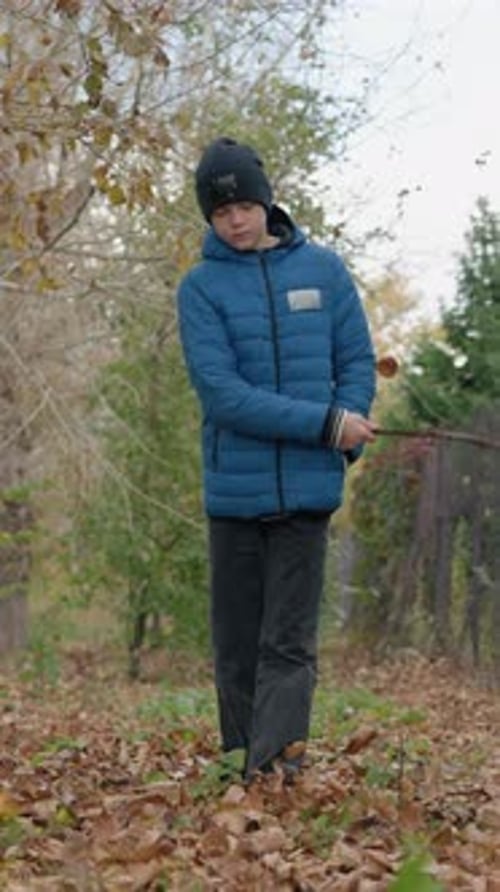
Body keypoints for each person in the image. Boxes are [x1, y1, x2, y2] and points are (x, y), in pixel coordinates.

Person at [177, 137, 376, 784]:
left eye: (243, 204)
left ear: (266, 199)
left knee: (288, 642)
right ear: (209, 218)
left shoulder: (324, 272)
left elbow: (356, 363)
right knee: (238, 645)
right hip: (234, 494)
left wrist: (350, 426)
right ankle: (242, 762)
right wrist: (325, 424)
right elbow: (224, 394)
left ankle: (276, 770)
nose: (235, 219)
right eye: (220, 211)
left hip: (308, 494)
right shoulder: (200, 288)